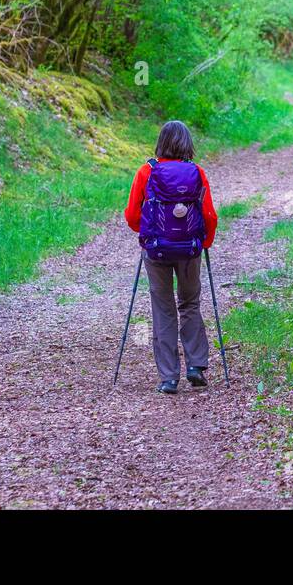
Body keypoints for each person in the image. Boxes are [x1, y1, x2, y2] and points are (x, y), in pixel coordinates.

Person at [123, 120, 219, 394]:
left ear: (161, 143)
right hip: (189, 248)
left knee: (163, 309)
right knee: (189, 303)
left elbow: (132, 215)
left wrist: (147, 233)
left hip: (157, 249)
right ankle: (196, 366)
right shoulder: (196, 172)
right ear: (188, 144)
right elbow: (209, 214)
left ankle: (168, 377)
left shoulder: (146, 171)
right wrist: (204, 242)